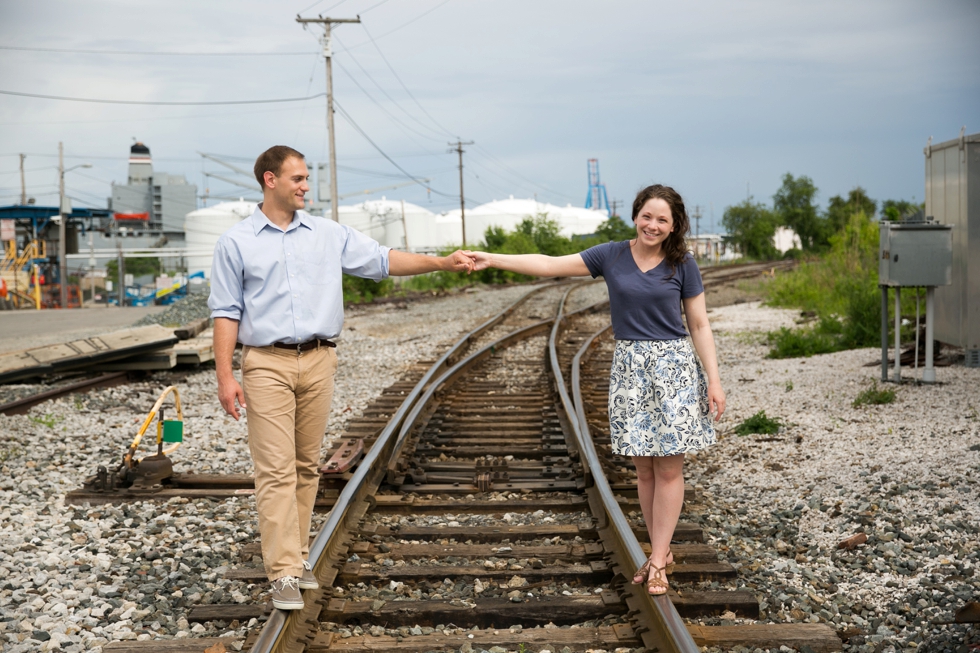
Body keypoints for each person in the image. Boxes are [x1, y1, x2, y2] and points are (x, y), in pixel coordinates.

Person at [208, 145, 474, 610]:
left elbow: (385, 260)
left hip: (319, 359)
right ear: (270, 181)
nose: (306, 186)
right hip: (265, 362)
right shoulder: (236, 242)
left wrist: (442, 262)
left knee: (306, 466)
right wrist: (225, 374)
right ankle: (284, 573)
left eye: (307, 178)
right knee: (275, 470)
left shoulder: (328, 234)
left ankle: (298, 556)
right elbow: (226, 313)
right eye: (298, 178)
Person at [465, 184, 725, 596]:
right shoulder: (611, 255)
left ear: (674, 226)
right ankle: (661, 548)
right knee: (643, 468)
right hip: (630, 368)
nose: (652, 225)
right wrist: (492, 258)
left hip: (673, 369)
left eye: (662, 220)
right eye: (647, 216)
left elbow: (699, 325)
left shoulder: (683, 263)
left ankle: (658, 559)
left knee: (669, 468)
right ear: (635, 215)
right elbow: (549, 265)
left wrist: (713, 378)